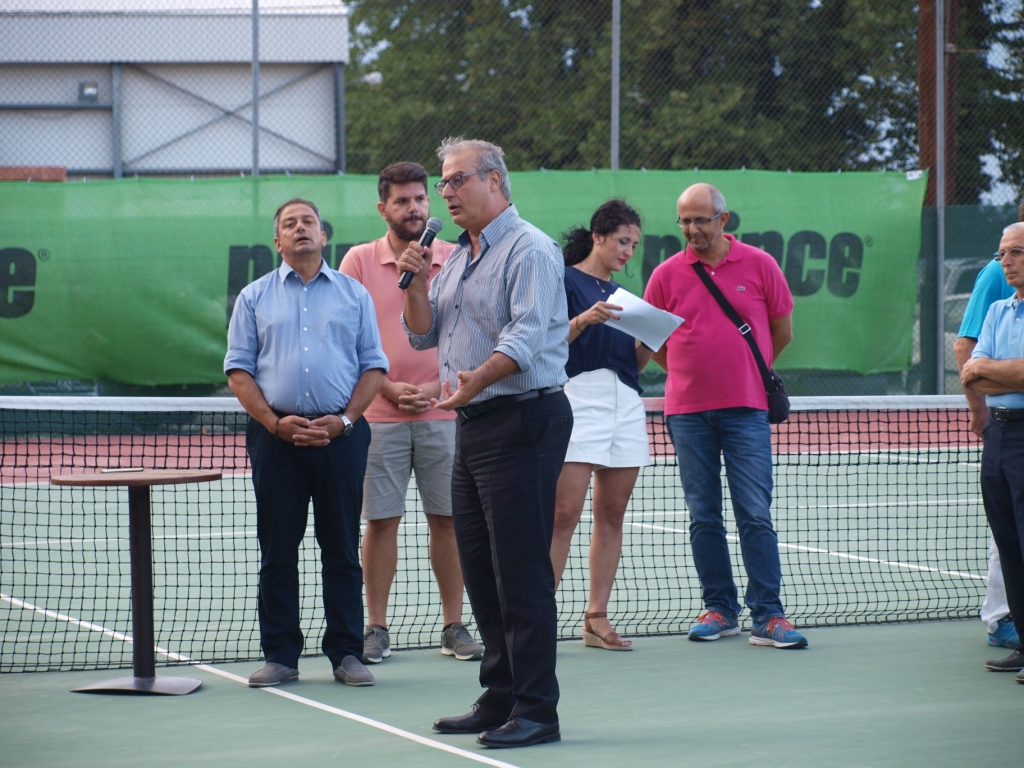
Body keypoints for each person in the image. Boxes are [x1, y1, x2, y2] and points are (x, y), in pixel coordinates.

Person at [400, 137, 571, 748]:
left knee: (520, 572)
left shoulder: (530, 249)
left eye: (456, 180)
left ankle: (537, 710)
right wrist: (415, 284)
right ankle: (499, 696)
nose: (444, 193)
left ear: (495, 181)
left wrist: (477, 378)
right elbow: (423, 335)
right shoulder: (454, 256)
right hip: (472, 425)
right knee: (480, 568)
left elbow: (525, 337)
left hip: (523, 419)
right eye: (442, 183)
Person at [225, 198, 389, 688]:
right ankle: (280, 657)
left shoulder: (354, 294)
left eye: (309, 222)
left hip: (342, 440)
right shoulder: (253, 297)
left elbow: (373, 366)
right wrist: (275, 425)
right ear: (277, 241)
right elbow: (239, 371)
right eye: (289, 224)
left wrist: (344, 420)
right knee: (278, 552)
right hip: (276, 441)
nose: (300, 228)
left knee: (341, 550)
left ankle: (346, 653)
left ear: (323, 236)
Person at [643, 183, 807, 649]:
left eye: (701, 220)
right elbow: (653, 342)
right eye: (684, 221)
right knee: (703, 516)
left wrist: (743, 373)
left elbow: (781, 331)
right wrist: (688, 373)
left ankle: (768, 615)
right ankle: (720, 609)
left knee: (754, 513)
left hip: (747, 411)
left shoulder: (761, 265)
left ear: (723, 219)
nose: (692, 229)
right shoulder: (665, 275)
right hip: (687, 414)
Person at [339, 162, 483, 665]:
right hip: (378, 417)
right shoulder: (358, 261)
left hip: (446, 412)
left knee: (449, 521)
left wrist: (437, 388)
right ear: (384, 208)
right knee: (381, 522)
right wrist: (386, 386)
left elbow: (468, 332)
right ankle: (375, 627)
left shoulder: (459, 256)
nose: (414, 208)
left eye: (421, 198)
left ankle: (454, 625)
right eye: (402, 201)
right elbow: (346, 339)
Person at [549, 199, 653, 651]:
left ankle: (596, 617)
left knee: (612, 515)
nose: (628, 251)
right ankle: (537, 618)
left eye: (633, 245)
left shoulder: (626, 298)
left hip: (625, 403)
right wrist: (584, 318)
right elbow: (547, 341)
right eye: (622, 241)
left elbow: (633, 363)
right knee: (562, 515)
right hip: (577, 398)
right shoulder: (562, 280)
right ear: (598, 236)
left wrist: (651, 340)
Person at [960, 221, 1024, 684]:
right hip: (998, 439)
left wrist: (989, 371)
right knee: (1009, 545)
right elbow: (971, 373)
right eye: (1003, 253)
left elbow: (984, 372)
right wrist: (1005, 373)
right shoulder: (999, 309)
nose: (1006, 261)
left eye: (1016, 252)